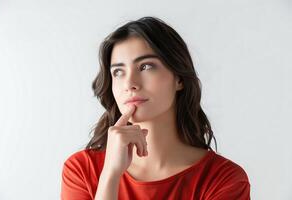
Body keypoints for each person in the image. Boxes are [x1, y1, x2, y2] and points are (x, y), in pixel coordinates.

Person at [61, 16, 250, 200]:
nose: (130, 83)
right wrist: (110, 175)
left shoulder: (224, 180)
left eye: (146, 67)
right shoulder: (81, 170)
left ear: (179, 78)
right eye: (118, 72)